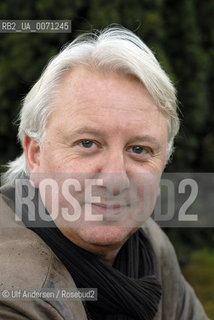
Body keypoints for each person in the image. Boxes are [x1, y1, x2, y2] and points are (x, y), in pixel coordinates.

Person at [0, 26, 209, 320]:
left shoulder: (148, 243)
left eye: (139, 150)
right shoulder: (11, 290)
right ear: (35, 155)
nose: (114, 179)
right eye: (87, 144)